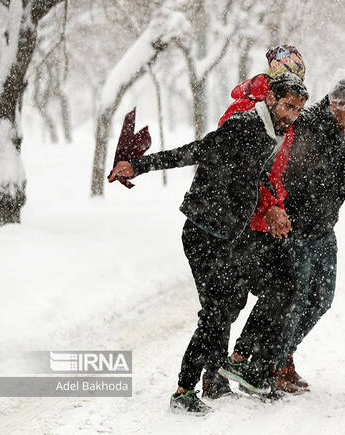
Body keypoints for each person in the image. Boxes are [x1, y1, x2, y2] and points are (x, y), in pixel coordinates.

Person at [107, 73, 309, 415]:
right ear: (271, 99)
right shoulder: (243, 125)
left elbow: (252, 171)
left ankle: (227, 369)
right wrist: (139, 166)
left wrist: (273, 204)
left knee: (264, 291)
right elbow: (195, 151)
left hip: (231, 233)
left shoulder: (273, 130)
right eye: (289, 106)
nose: (292, 115)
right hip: (204, 231)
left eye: (298, 110)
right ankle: (184, 390)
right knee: (217, 311)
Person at [233, 74, 345, 392]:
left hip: (324, 228)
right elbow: (273, 167)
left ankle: (280, 356)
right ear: (335, 102)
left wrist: (331, 183)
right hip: (292, 229)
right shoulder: (305, 124)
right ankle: (266, 366)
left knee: (321, 299)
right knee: (292, 300)